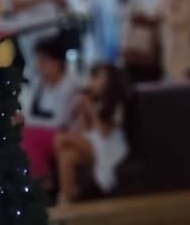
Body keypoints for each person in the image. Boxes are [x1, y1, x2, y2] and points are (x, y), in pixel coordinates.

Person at [54, 63, 129, 203]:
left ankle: (69, 193)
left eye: (98, 77)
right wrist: (81, 110)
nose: (93, 81)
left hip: (110, 145)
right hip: (95, 142)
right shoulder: (94, 100)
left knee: (60, 139)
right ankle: (67, 196)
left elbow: (104, 133)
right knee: (66, 156)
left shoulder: (116, 103)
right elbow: (85, 130)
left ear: (109, 80)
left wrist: (90, 107)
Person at [19, 36, 79, 184]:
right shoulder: (39, 83)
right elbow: (28, 110)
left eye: (44, 61)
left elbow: (59, 121)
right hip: (39, 131)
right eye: (38, 60)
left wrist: (29, 121)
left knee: (28, 135)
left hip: (62, 133)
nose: (40, 65)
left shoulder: (69, 85)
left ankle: (43, 179)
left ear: (57, 62)